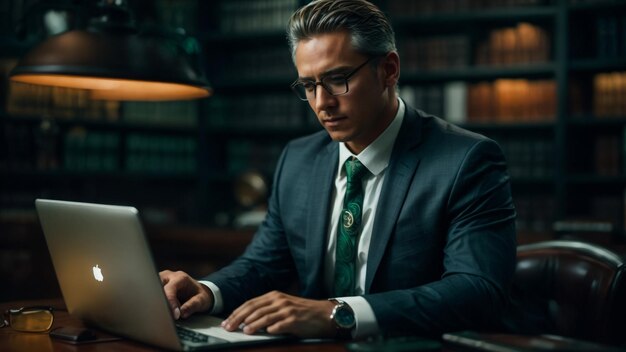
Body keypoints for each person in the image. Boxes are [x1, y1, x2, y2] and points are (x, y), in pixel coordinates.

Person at [160, 0, 516, 340]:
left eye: (338, 79)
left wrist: (338, 314)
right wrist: (207, 291)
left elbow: (477, 290)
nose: (322, 103)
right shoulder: (298, 159)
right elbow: (264, 263)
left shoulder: (466, 160)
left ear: (389, 70)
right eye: (309, 85)